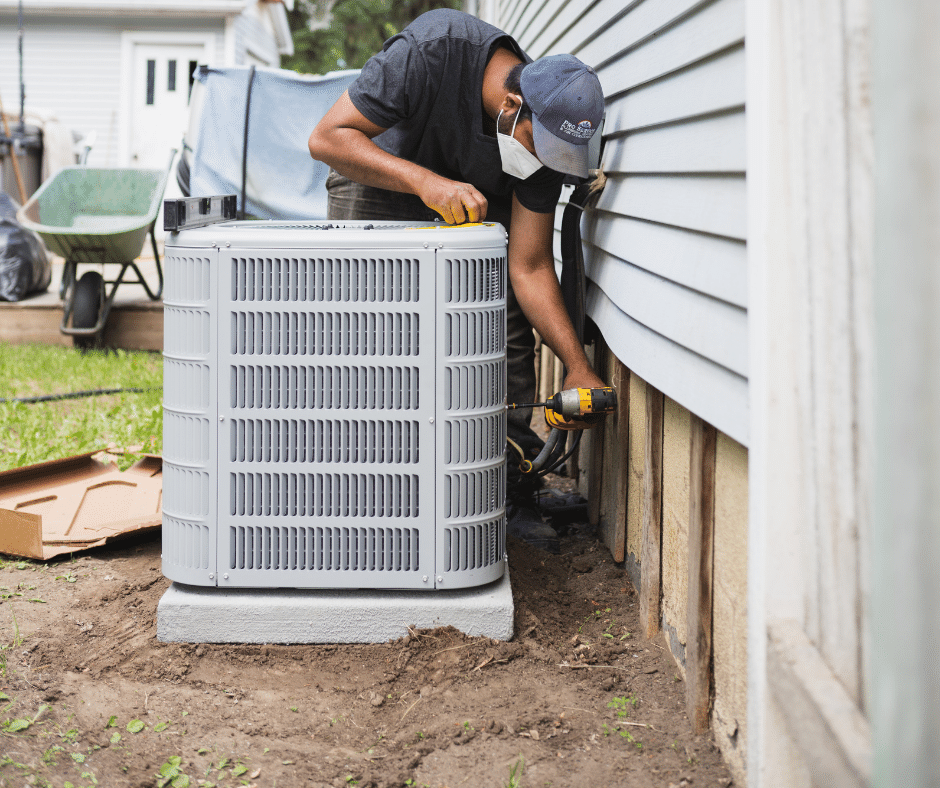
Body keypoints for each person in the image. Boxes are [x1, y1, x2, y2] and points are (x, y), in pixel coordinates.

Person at [308, 9, 605, 550]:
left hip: (465, 194)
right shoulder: (430, 51)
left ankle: (510, 489)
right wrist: (426, 183)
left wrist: (578, 367)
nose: (547, 164)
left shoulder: (543, 139)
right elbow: (328, 138)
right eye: (544, 150)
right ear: (513, 107)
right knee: (371, 337)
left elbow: (531, 266)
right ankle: (364, 485)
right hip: (380, 176)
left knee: (501, 325)